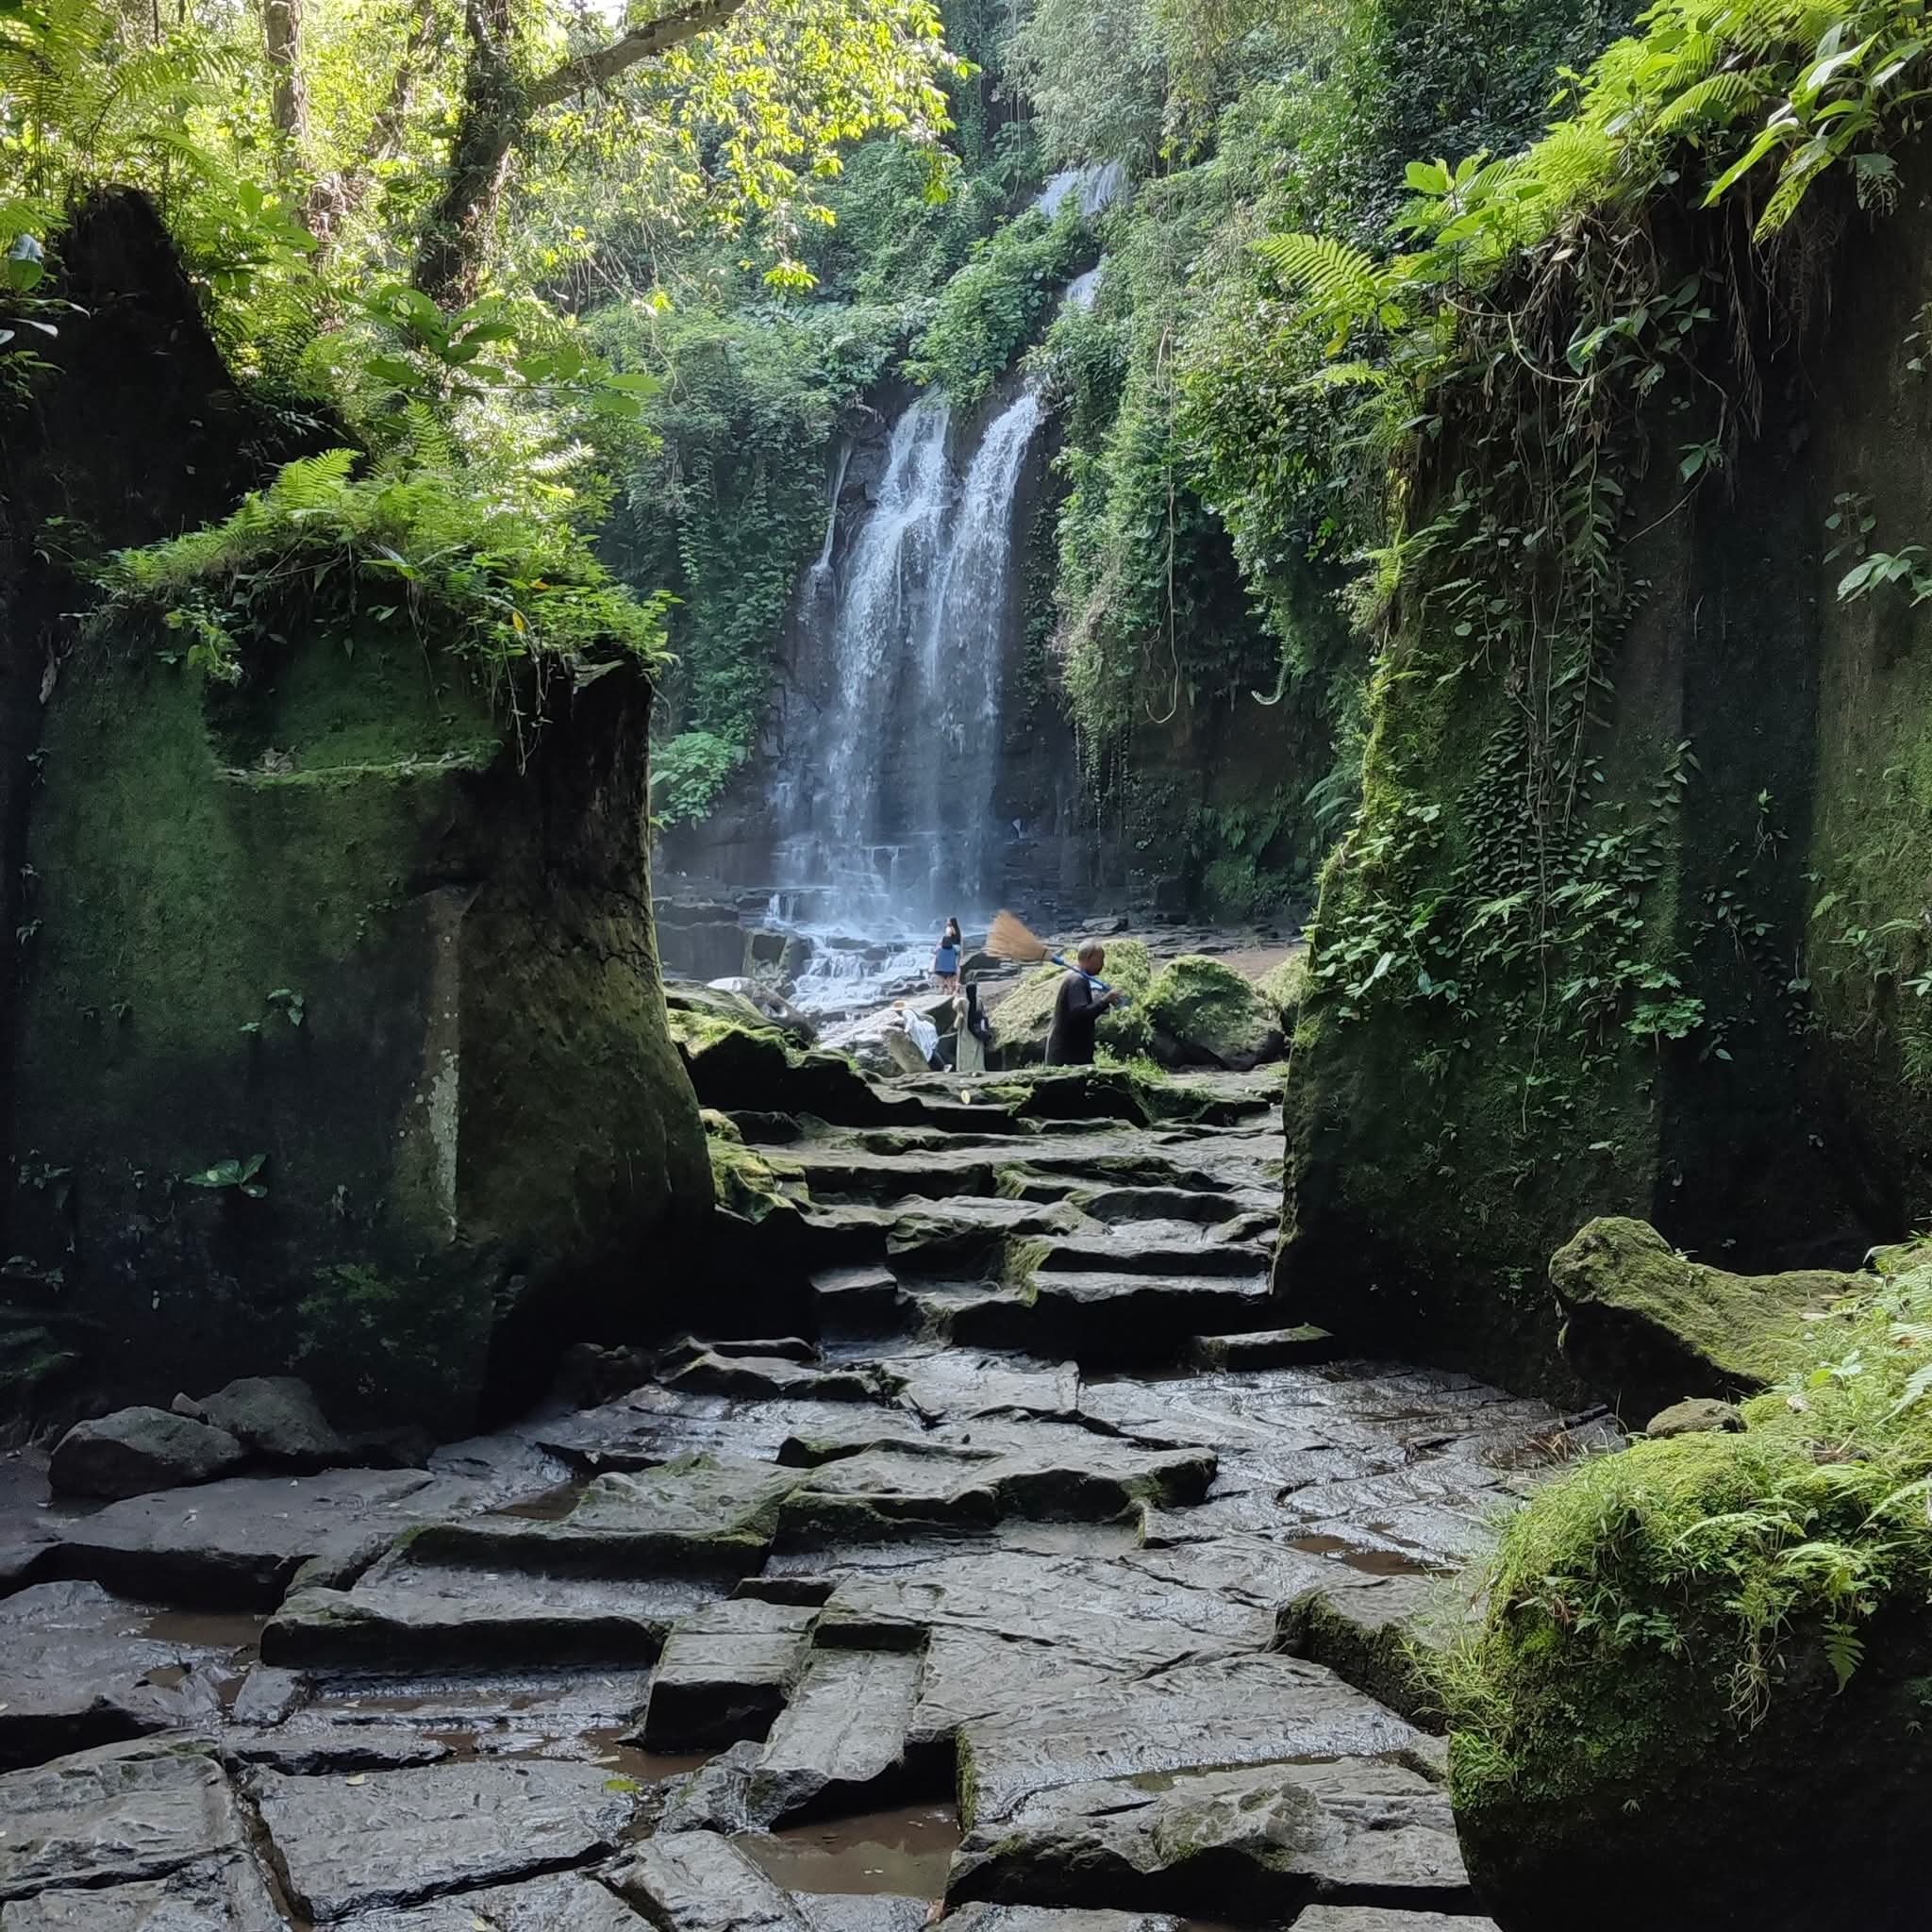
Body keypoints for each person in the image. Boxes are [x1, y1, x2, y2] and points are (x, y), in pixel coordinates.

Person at [1044, 941, 1121, 1067]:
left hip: (1072, 1056)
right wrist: (1105, 1001)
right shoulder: (1077, 981)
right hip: (1066, 1060)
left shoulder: (1079, 979)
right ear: (1089, 958)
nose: (1103, 964)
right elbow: (1080, 1015)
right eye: (1101, 958)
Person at [933, 916, 962, 991]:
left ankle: (945, 987)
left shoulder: (949, 928)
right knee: (957, 965)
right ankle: (955, 983)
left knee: (950, 963)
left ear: (951, 922)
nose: (947, 922)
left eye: (948, 921)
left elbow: (947, 937)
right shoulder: (958, 929)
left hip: (951, 947)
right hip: (957, 947)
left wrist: (940, 943)